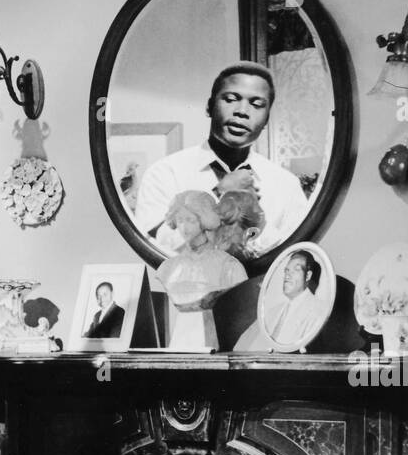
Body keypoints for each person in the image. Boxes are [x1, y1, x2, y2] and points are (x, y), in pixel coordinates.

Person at [133, 62, 309, 255]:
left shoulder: (286, 185)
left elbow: (293, 256)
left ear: (267, 120)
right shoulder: (165, 173)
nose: (242, 111)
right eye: (231, 99)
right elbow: (157, 247)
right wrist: (218, 195)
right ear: (209, 107)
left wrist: (256, 218)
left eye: (257, 104)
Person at [155, 191, 247, 352]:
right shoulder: (167, 269)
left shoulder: (229, 267)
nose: (184, 227)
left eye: (190, 220)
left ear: (205, 221)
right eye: (180, 220)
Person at [263, 248, 329, 349]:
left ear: (307, 275)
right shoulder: (273, 312)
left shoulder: (319, 311)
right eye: (287, 270)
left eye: (296, 270)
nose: (287, 275)